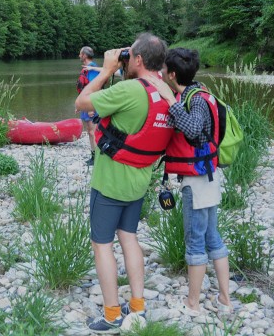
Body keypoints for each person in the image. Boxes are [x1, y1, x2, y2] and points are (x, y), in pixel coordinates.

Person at [75, 33, 172, 333]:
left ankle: (112, 313)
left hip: (111, 181)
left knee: (101, 243)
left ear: (139, 60)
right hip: (139, 180)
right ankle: (138, 307)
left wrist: (105, 71)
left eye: (131, 57)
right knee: (129, 237)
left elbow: (81, 103)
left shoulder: (130, 89)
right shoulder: (165, 90)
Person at [145, 48, 233, 317]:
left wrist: (170, 102)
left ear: (171, 74)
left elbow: (194, 129)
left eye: (164, 72)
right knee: (212, 237)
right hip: (208, 176)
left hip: (197, 181)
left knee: (195, 241)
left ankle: (192, 303)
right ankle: (224, 299)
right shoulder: (201, 93)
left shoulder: (193, 100)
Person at [77, 46, 100, 165]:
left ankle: (96, 158)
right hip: (86, 103)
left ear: (85, 56)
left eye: (80, 54)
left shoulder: (92, 69)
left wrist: (91, 107)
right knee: (90, 131)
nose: (79, 56)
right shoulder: (88, 68)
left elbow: (94, 88)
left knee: (93, 132)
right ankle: (93, 156)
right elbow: (83, 88)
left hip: (91, 104)